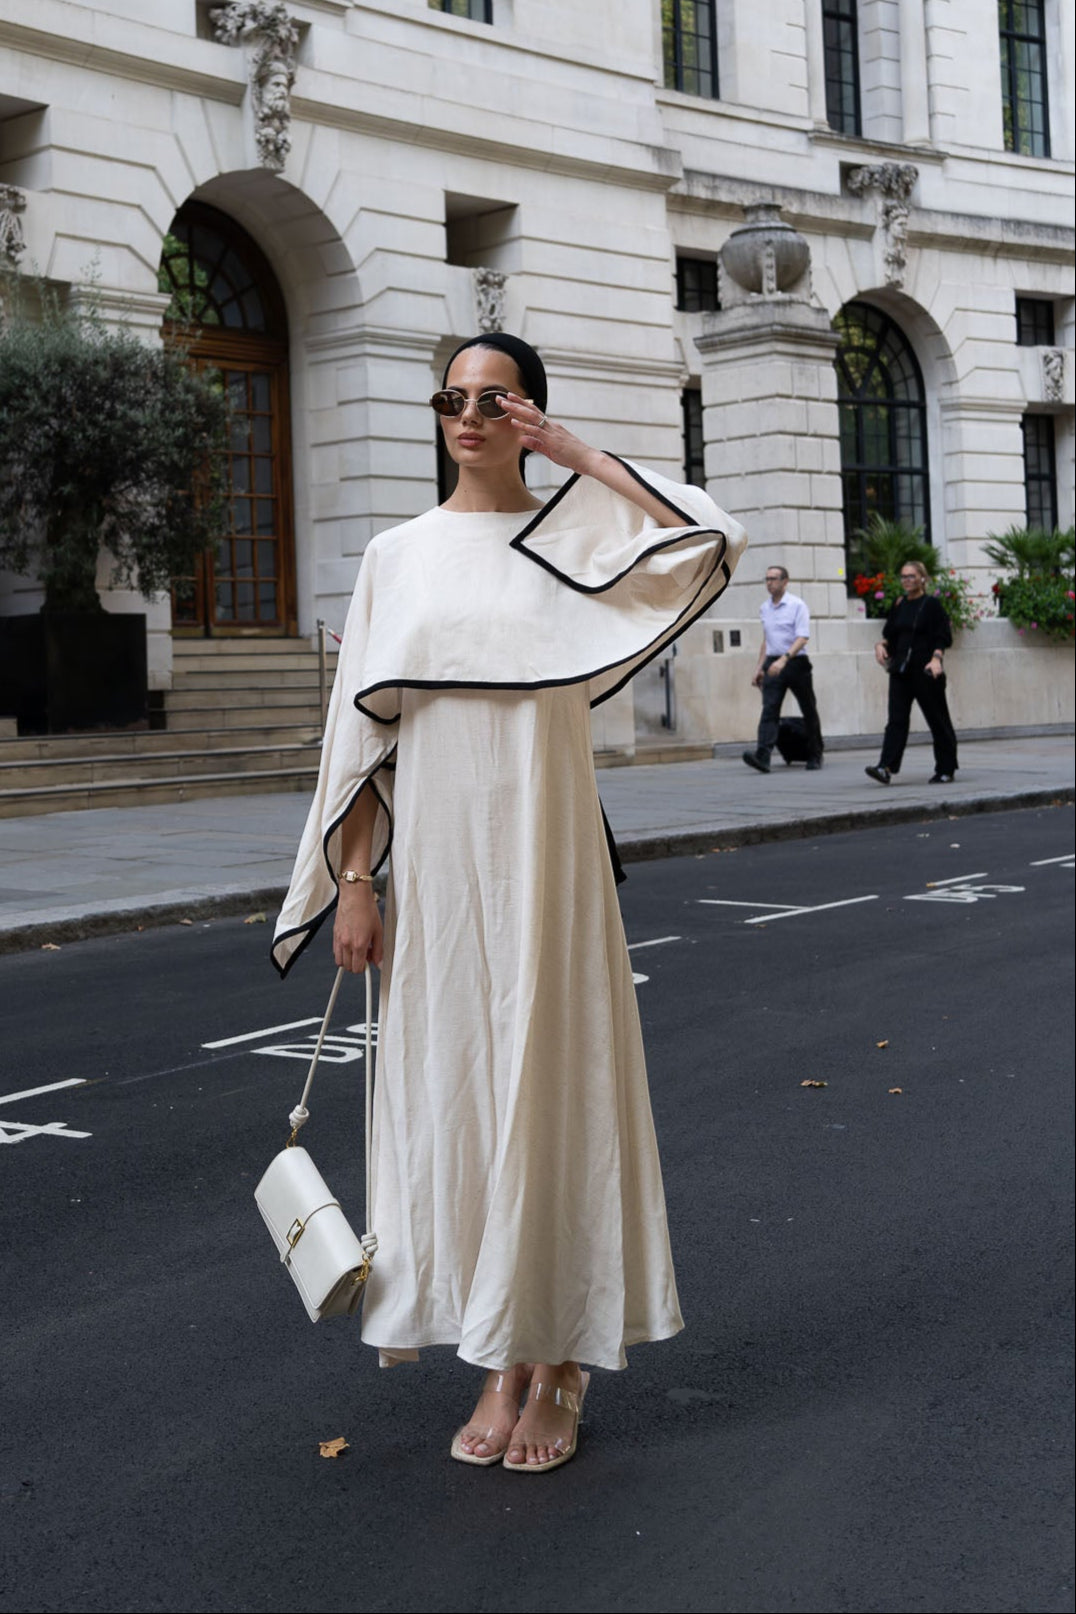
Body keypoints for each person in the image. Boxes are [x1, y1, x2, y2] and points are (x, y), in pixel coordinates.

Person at [271, 333, 747, 1473]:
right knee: (460, 1094)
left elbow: (708, 538)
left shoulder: (577, 537)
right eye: (454, 398)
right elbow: (361, 738)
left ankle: (559, 1357)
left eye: (498, 400)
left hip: (551, 856)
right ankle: (497, 1354)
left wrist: (574, 454)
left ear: (529, 411)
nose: (471, 417)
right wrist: (354, 881)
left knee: (554, 1083)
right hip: (438, 867)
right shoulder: (398, 556)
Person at [865, 559, 958, 785]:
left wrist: (936, 659)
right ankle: (885, 767)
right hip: (900, 670)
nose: (906, 580)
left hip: (925, 670)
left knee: (937, 719)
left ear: (922, 578)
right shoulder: (899, 604)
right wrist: (880, 646)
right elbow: (890, 635)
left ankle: (946, 768)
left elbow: (942, 636)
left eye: (911, 576)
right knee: (896, 720)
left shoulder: (931, 605)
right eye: (904, 576)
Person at [742, 565, 823, 773]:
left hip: (795, 662)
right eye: (767, 579)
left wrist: (784, 660)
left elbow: (802, 637)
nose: (769, 583)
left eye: (774, 579)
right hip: (772, 662)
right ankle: (763, 756)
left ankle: (815, 754)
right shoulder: (765, 608)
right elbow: (767, 640)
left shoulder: (797, 605)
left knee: (808, 708)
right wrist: (759, 668)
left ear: (785, 582)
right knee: (769, 709)